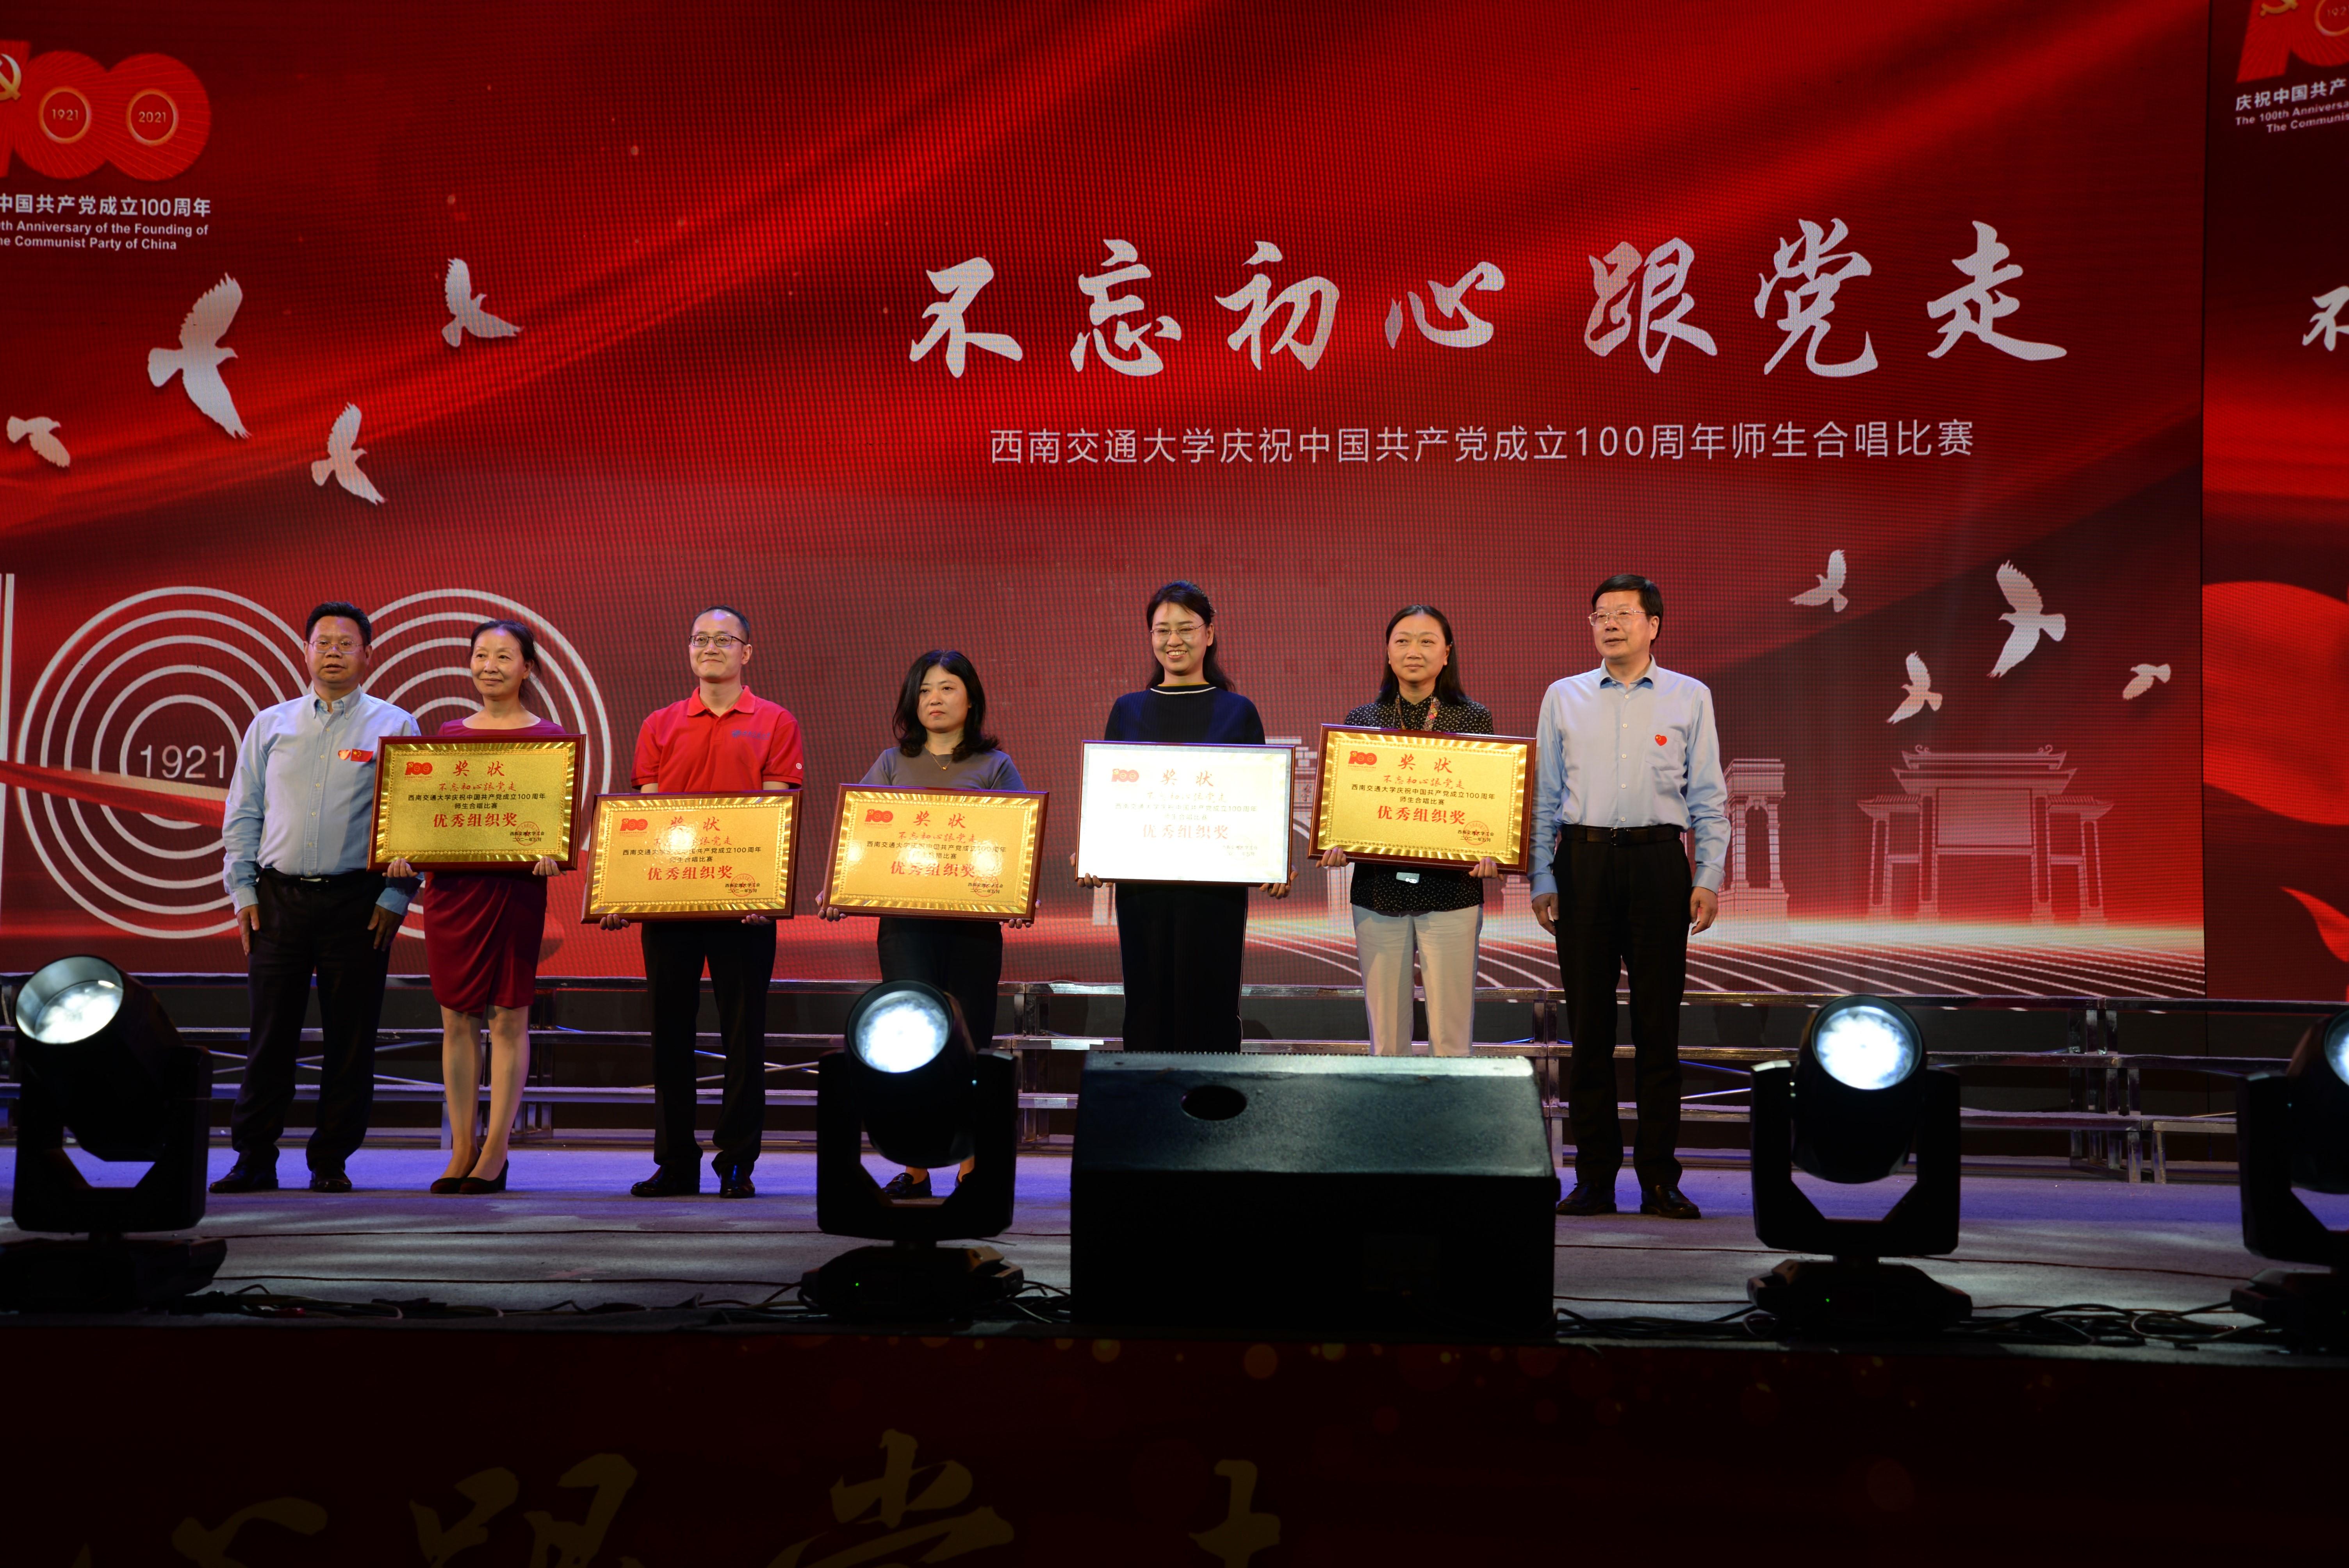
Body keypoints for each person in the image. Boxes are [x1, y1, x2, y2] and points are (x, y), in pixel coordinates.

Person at [1529, 574, 1727, 1221]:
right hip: (1582, 863)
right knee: (1588, 1031)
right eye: (1600, 615)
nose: (1609, 624)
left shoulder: (1689, 696)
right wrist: (1542, 874)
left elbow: (1708, 796)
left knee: (1657, 1031)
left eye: (1622, 614)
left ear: (1653, 625)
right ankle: (1593, 1179)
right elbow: (1546, 796)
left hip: (1658, 863)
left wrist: (1708, 874)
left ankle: (1660, 1181)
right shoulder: (1563, 696)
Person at [213, 602, 419, 1194]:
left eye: (346, 643)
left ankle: (331, 1160)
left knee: (350, 1040)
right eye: (322, 642)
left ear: (367, 654)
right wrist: (242, 889)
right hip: (276, 898)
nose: (333, 652)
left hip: (358, 902)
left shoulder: (395, 725)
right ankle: (254, 1158)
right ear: (305, 651)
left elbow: (412, 820)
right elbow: (244, 813)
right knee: (269, 1036)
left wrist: (397, 895)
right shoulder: (270, 724)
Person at [604, 606, 803, 1199]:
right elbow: (648, 820)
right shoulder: (660, 724)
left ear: (747, 652)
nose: (710, 648)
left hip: (745, 908)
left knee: (744, 1036)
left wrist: (764, 890)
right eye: (700, 639)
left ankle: (738, 1161)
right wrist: (627, 890)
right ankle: (676, 1162)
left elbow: (775, 816)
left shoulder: (775, 721)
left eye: (723, 639)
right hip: (673, 907)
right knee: (670, 1034)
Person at [821, 649, 1030, 1198]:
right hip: (906, 928)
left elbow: (1016, 847)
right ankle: (915, 1167)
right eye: (924, 691)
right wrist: (838, 887)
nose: (935, 699)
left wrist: (1016, 894)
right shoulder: (892, 762)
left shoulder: (996, 767)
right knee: (909, 1043)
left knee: (970, 1042)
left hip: (971, 931)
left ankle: (971, 1166)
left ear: (971, 699)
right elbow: (860, 838)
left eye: (947, 688)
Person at [385, 620, 567, 1196]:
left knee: (509, 1017)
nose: (490, 666)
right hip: (454, 893)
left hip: (515, 893)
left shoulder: (551, 740)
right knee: (457, 1019)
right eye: (481, 655)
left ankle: (495, 1151)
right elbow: (423, 816)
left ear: (528, 668)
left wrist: (553, 850)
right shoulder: (446, 736)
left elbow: (556, 824)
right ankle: (461, 1147)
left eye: (504, 657)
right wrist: (402, 850)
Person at [1078, 581, 1289, 1053]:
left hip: (1215, 896)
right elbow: (1111, 797)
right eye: (1162, 630)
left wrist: (1272, 859)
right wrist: (1093, 851)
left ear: (1209, 634)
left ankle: (1211, 1100)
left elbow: (1257, 799)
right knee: (1148, 1006)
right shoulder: (1127, 710)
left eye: (1185, 628)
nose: (1173, 640)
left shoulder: (1238, 712)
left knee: (1210, 1006)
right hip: (1143, 893)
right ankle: (1149, 1098)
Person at [1317, 606, 1500, 1057]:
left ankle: (1449, 1106)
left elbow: (1488, 800)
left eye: (1426, 641)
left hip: (1452, 894)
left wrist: (1492, 846)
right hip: (1378, 893)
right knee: (1386, 1043)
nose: (1413, 651)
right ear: (1387, 651)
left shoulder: (1473, 718)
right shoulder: (1362, 719)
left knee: (1451, 1041)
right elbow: (1350, 804)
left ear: (1446, 653)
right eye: (1402, 640)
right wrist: (1336, 840)